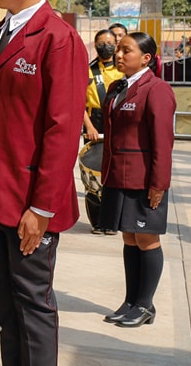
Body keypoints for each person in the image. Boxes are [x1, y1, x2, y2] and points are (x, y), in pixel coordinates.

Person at [0, 0, 88, 366]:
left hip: (29, 203)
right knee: (5, 305)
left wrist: (42, 206)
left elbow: (62, 130)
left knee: (32, 305)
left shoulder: (58, 39)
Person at [100, 32, 175, 328]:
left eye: (126, 50)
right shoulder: (118, 86)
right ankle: (131, 301)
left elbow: (162, 142)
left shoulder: (156, 89)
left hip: (143, 179)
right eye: (118, 49)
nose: (118, 54)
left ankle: (145, 305)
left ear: (146, 58)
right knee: (129, 236)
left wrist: (159, 184)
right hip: (118, 176)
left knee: (146, 238)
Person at [82, 29, 123, 234]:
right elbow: (79, 102)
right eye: (101, 42)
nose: (105, 46)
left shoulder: (122, 70)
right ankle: (97, 222)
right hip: (94, 123)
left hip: (118, 122)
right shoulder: (87, 70)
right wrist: (89, 127)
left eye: (109, 42)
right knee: (93, 175)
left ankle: (112, 222)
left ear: (116, 45)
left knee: (115, 175)